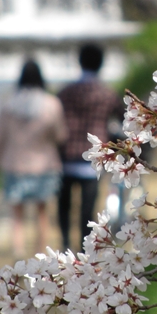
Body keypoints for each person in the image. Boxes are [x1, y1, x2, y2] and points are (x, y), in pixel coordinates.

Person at [0, 59, 67, 257]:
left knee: (17, 215)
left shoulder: (8, 105)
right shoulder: (51, 104)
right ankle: (40, 254)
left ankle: (18, 252)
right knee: (42, 213)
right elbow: (61, 135)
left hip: (15, 165)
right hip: (44, 165)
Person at [57, 43, 125, 253]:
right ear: (101, 64)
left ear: (79, 62)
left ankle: (66, 243)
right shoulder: (107, 94)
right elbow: (123, 120)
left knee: (64, 206)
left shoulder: (65, 93)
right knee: (87, 209)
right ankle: (83, 249)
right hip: (93, 161)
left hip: (66, 157)